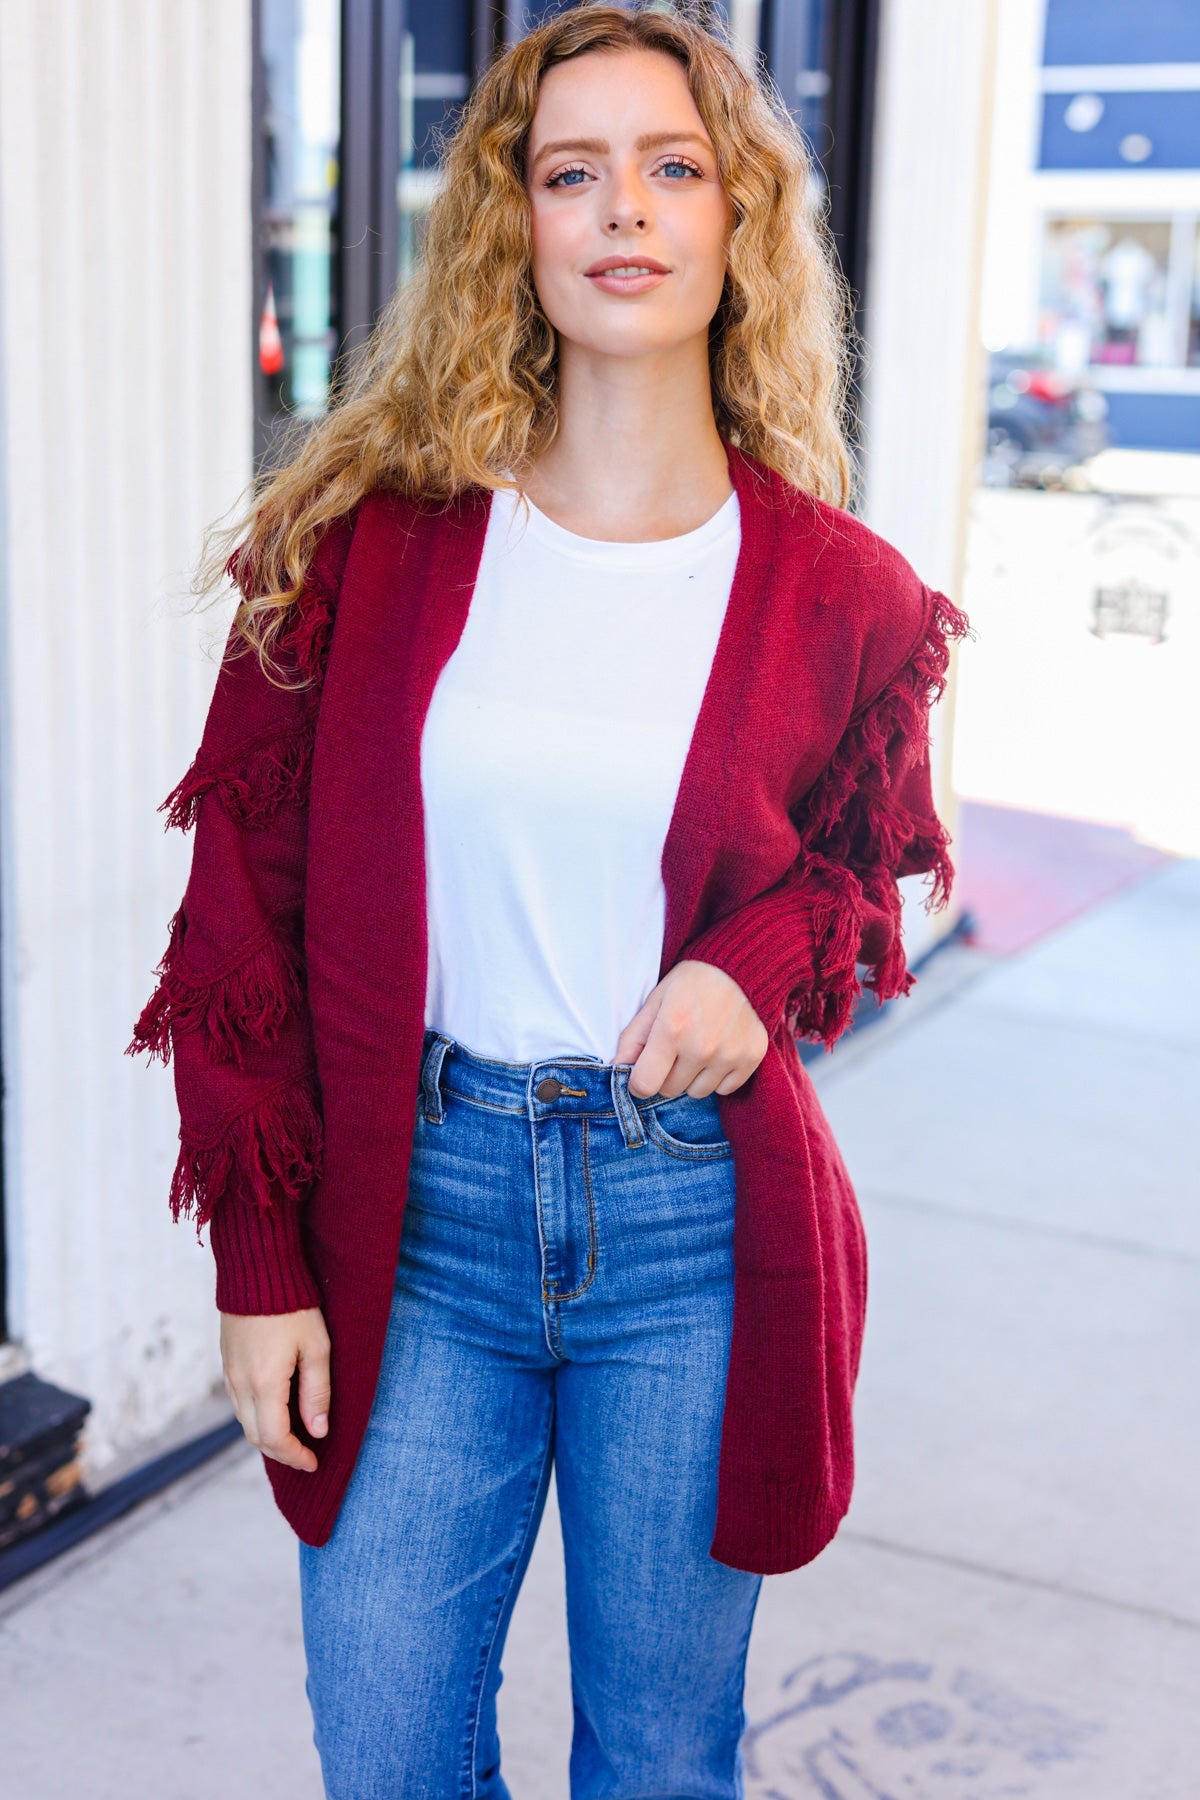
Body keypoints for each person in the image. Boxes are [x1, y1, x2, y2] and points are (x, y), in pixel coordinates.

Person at [129, 6, 968, 1796]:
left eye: (673, 168)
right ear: (514, 226)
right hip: (412, 1211)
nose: (623, 211)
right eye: (570, 172)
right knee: (388, 1750)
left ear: (741, 221)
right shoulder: (362, 543)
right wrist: (262, 1261)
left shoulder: (839, 593)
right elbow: (235, 927)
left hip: (687, 1235)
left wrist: (750, 967)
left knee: (661, 1761)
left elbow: (853, 879)